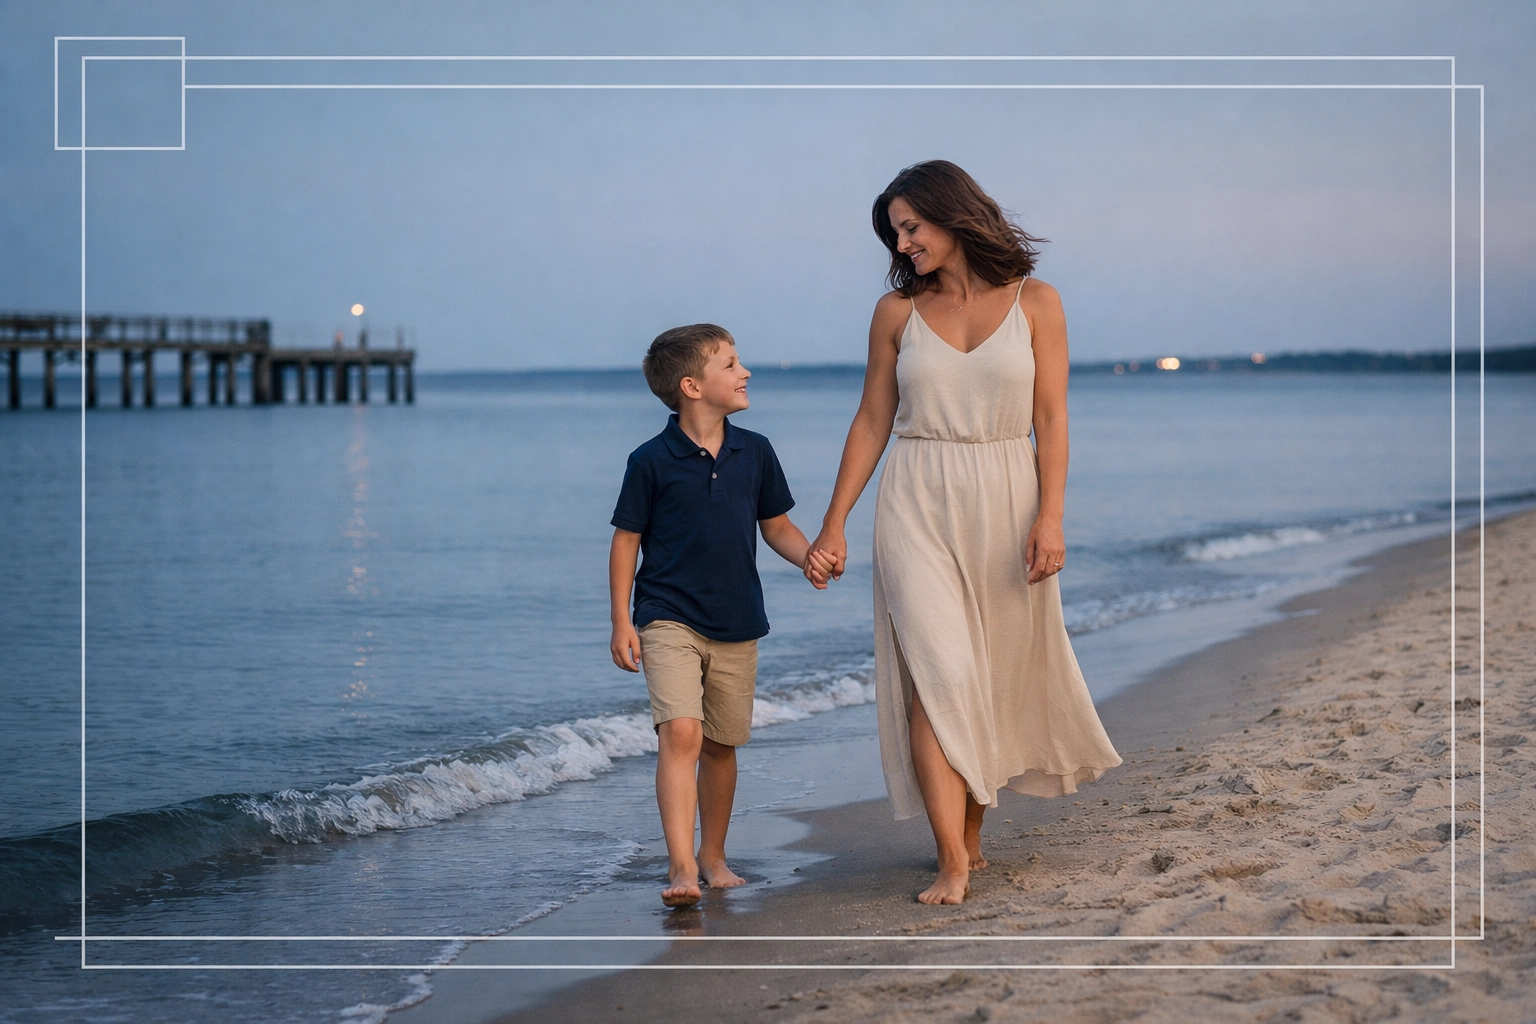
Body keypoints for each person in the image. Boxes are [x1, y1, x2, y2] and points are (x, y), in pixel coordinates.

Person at [805, 161, 1122, 905]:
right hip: (916, 498)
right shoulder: (895, 314)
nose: (903, 241)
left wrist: (1052, 517)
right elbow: (873, 420)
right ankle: (951, 858)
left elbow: (1052, 419)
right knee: (939, 678)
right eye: (896, 232)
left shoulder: (1038, 302)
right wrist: (833, 522)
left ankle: (971, 837)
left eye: (913, 226)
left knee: (990, 679)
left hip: (1009, 498)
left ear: (956, 215)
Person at [609, 323, 826, 907]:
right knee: (682, 732)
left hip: (737, 618)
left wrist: (810, 557)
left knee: (721, 746)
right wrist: (622, 620)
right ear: (692, 386)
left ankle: (714, 856)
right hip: (665, 615)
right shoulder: (650, 460)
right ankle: (681, 867)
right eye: (730, 364)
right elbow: (626, 541)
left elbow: (776, 526)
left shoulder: (754, 450)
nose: (744, 371)